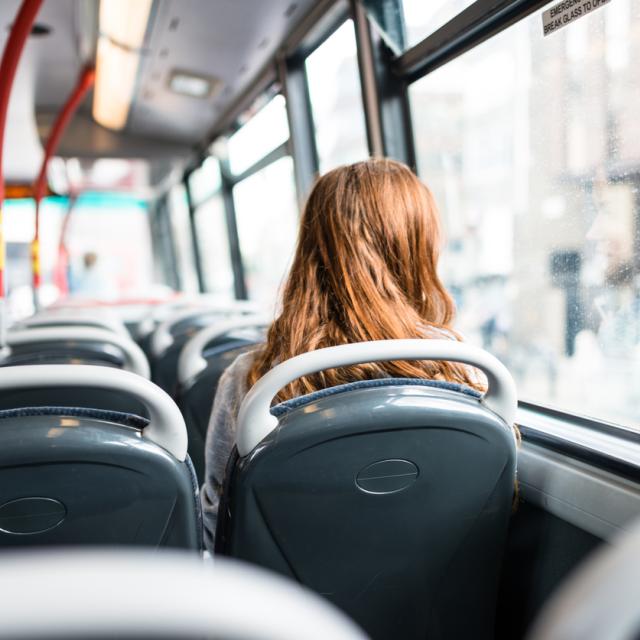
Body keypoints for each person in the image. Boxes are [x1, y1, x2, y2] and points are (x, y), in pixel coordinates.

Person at [202, 158, 489, 551]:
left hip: (283, 610)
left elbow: (219, 523)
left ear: (309, 251)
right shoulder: (459, 369)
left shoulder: (253, 383)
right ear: (417, 247)